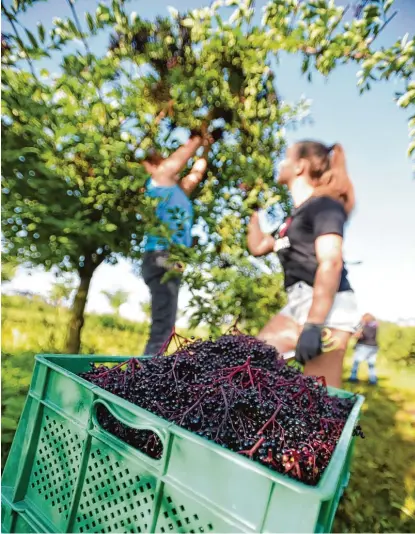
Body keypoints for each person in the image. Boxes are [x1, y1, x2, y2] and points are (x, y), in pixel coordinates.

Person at [247, 140, 359, 388]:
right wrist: (253, 209)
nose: (281, 164)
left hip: (328, 308)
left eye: (285, 157)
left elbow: (331, 262)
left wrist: (314, 325)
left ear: (300, 166)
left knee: (319, 402)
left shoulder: (325, 205)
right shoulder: (293, 219)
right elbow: (257, 247)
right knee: (248, 366)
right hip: (298, 304)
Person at [141, 127, 219, 355]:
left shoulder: (177, 190)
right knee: (162, 330)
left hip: (171, 258)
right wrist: (197, 137)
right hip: (161, 256)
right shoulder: (157, 183)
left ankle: (147, 375)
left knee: (165, 327)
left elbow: (196, 173)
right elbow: (177, 162)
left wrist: (207, 145)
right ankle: (144, 379)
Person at [348, 313, 379, 385]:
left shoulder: (365, 326)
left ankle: (353, 378)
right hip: (373, 346)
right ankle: (373, 380)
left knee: (356, 362)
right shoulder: (375, 326)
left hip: (363, 346)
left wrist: (354, 334)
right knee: (371, 364)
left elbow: (360, 336)